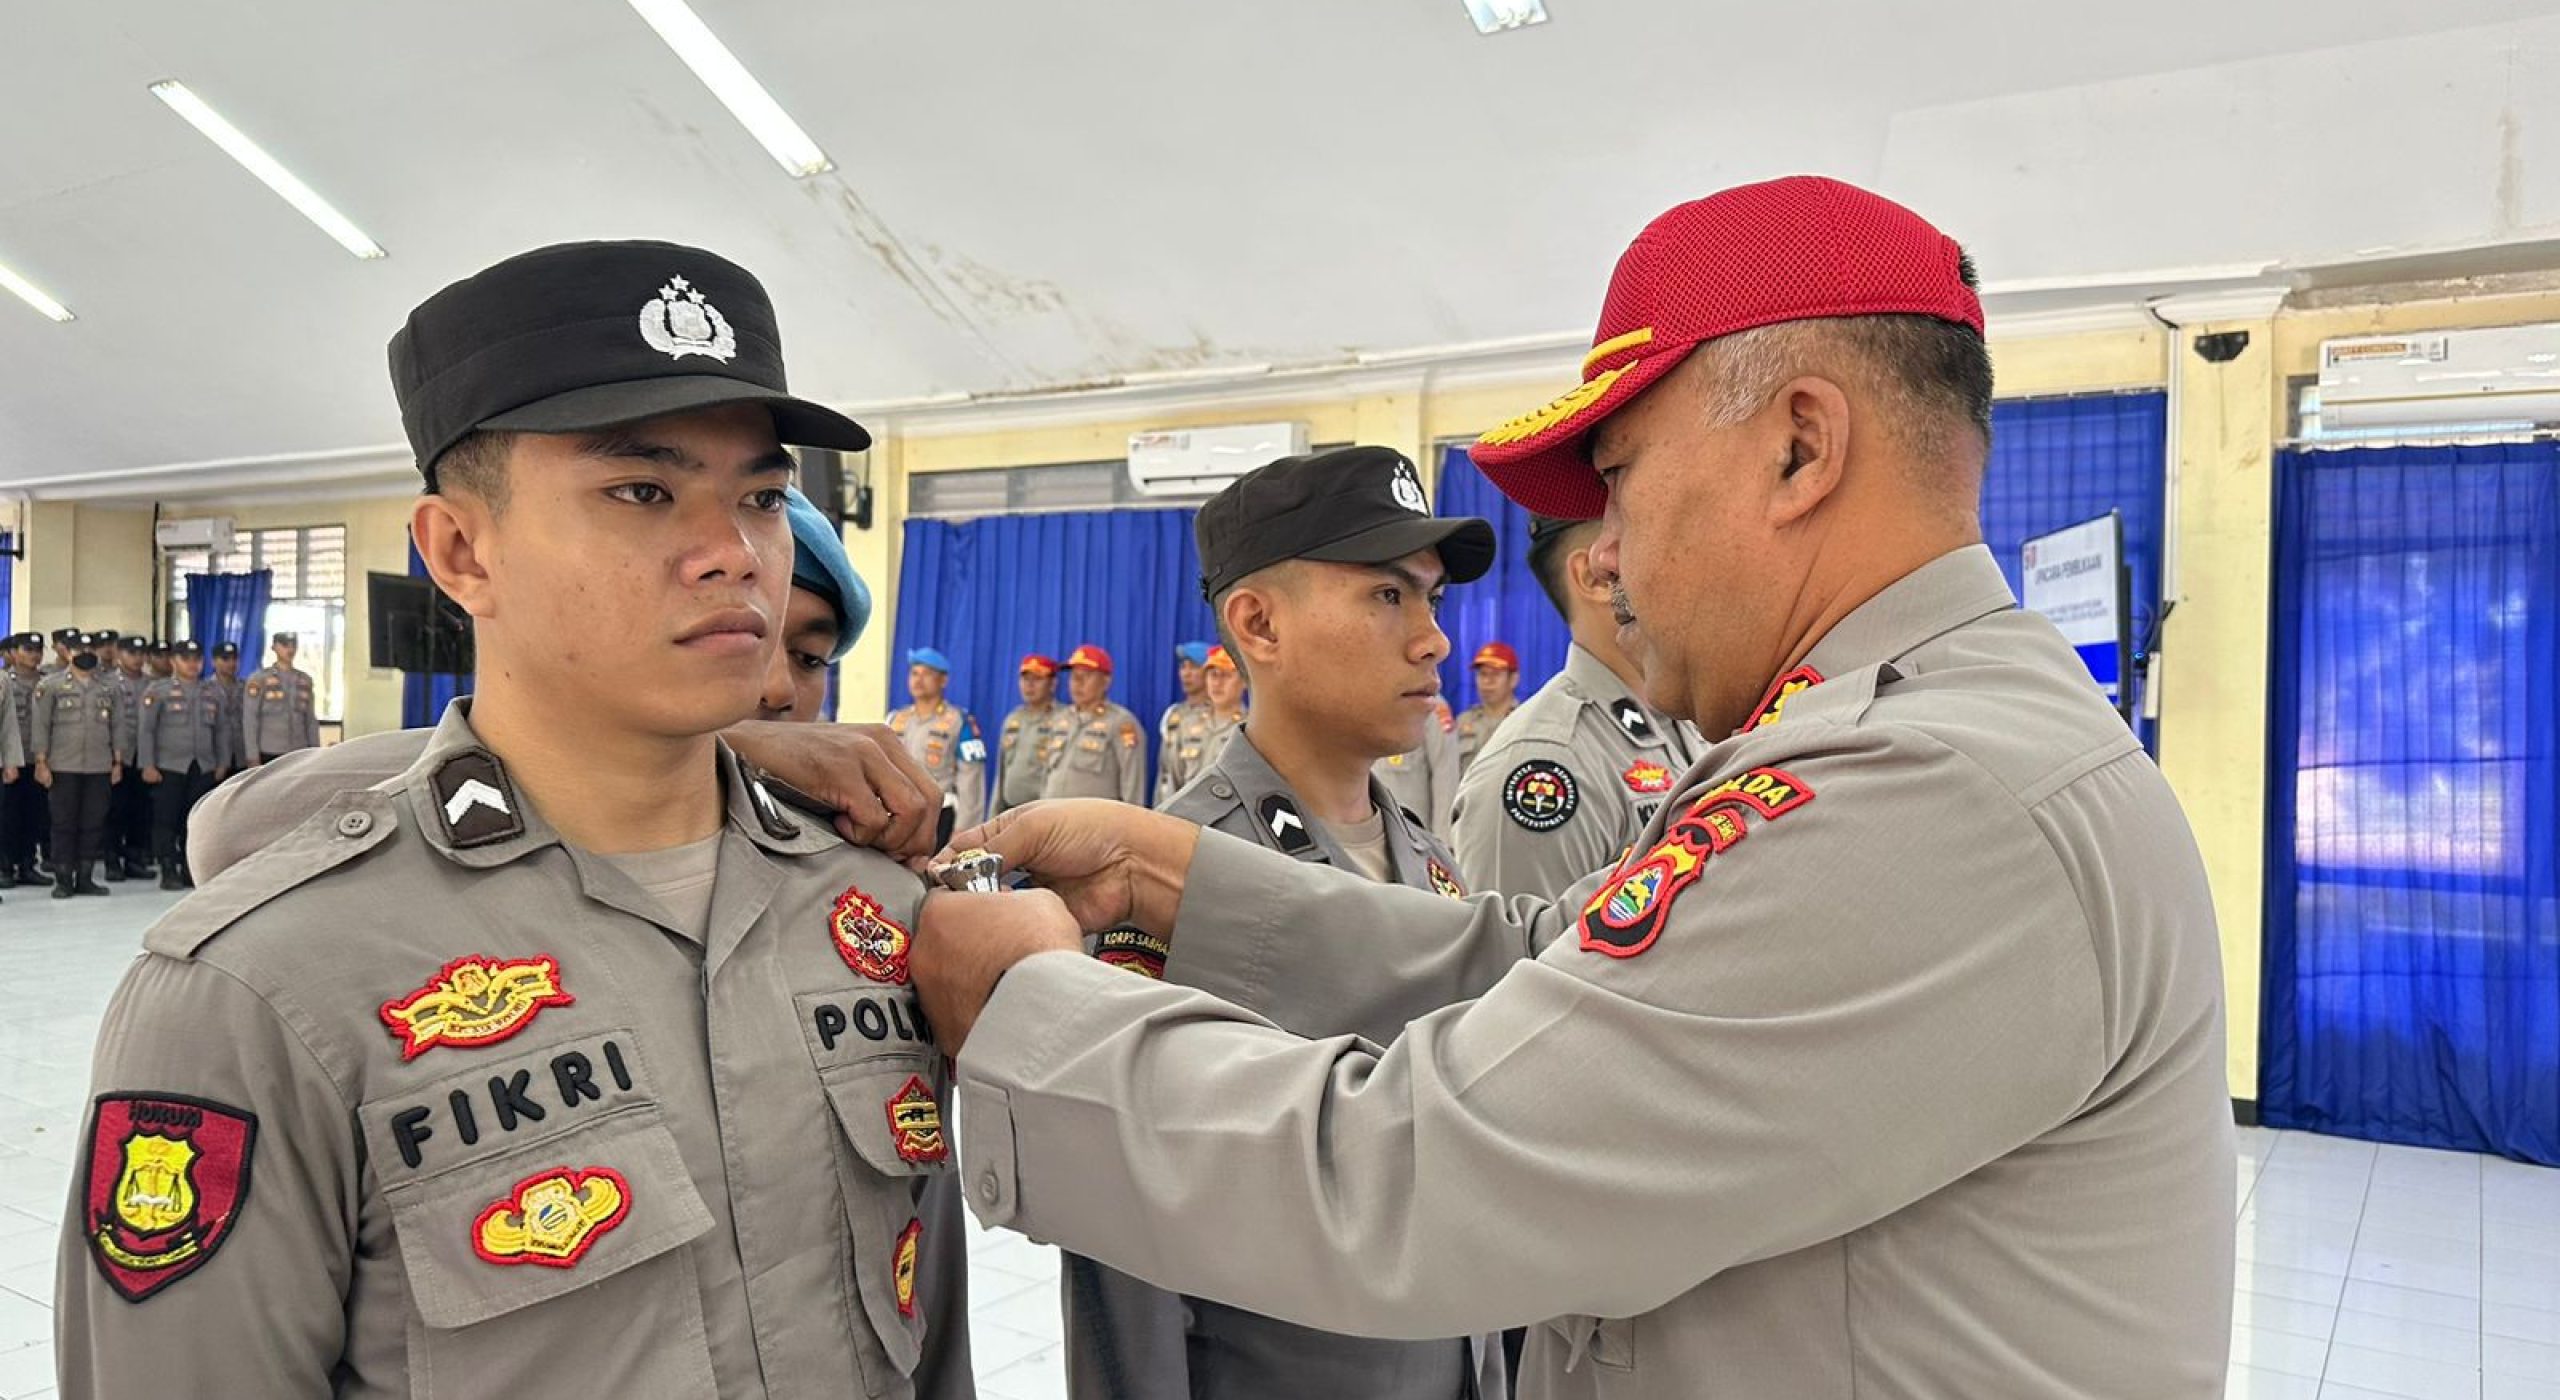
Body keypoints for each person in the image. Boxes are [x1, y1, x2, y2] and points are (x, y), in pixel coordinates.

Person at [912, 177, 2235, 1399]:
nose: (1604, 556)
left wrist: (1028, 1009)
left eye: (1619, 480)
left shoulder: (1928, 790)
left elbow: (1425, 1172)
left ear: (1799, 448)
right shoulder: (1898, 743)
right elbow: (1540, 961)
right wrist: (1171, 881)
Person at [58, 238, 975, 1400]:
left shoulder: (874, 909)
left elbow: (927, 1338)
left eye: (760, 496)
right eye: (642, 490)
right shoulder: (262, 989)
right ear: (458, 549)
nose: (731, 554)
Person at [1063, 444, 1501, 1400]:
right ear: (1257, 624)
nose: (1433, 639)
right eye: (1389, 597)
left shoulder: (1427, 855)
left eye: (1433, 600)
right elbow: (1124, 1240)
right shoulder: (1169, 880)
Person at [1451, 518, 1703, 901]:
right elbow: (1520, 955)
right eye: (1665, 543)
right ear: (1597, 576)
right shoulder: (1545, 760)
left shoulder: (1683, 721)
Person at [31, 632, 128, 898]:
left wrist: (118, 761)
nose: (84, 654)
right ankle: (63, 878)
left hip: (99, 766)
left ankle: (85, 878)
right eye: (78, 649)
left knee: (93, 822)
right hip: (63, 766)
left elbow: (118, 727)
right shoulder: (50, 685)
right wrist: (41, 762)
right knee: (63, 823)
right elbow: (40, 727)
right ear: (67, 653)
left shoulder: (110, 687)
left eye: (89, 649)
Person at [137, 640, 229, 889]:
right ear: (174, 662)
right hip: (169, 766)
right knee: (166, 819)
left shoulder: (212, 691)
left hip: (203, 766)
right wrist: (147, 764)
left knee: (196, 821)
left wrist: (223, 761)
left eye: (196, 659)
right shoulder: (158, 690)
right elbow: (147, 731)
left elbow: (221, 731)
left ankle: (191, 869)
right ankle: (168, 868)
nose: (192, 664)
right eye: (186, 659)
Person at [888, 647, 988, 831]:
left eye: (927, 674)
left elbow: (971, 780)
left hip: (939, 815)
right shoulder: (895, 719)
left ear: (943, 680)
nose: (918, 680)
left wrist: (965, 830)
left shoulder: (959, 721)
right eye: (914, 673)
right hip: (897, 812)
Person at [1039, 645, 1145, 805]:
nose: (1077, 682)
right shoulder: (1060, 720)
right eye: (1074, 676)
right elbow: (1046, 777)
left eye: (1086, 675)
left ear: (1106, 681)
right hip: (1054, 821)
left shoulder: (1121, 723)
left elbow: (1132, 783)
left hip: (1095, 826)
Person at [102, 635, 153, 880]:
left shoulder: (152, 684)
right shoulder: (107, 683)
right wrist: (114, 759)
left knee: (140, 812)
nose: (137, 658)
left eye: (141, 653)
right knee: (114, 811)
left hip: (143, 758)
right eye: (131, 653)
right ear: (119, 654)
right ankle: (112, 861)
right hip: (116, 758)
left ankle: (134, 860)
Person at [1371, 698, 1458, 838]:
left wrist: (1444, 842)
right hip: (1369, 838)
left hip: (1414, 839)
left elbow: (1446, 779)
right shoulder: (1363, 703)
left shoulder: (1431, 706)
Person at [0, 632, 47, 888]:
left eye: (38, 650)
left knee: (35, 815)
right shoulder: (7, 680)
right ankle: (5, 865)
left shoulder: (48, 682)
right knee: (9, 816)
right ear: (14, 652)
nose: (34, 655)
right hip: (12, 759)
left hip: (37, 758)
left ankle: (28, 864)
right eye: (28, 649)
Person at [994, 654, 1065, 816]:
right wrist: (994, 814)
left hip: (1042, 812)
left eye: (1037, 679)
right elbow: (1001, 773)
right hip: (1009, 809)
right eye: (1025, 679)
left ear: (1053, 684)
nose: (1029, 685)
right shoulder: (1013, 720)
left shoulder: (1064, 720)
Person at [240, 630, 320, 765]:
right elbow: (250, 719)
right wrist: (252, 755)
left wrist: (316, 751)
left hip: (299, 750)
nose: (290, 649)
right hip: (270, 751)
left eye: (293, 645)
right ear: (274, 647)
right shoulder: (259, 679)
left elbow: (310, 719)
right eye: (285, 645)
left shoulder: (304, 680)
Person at [1151, 642, 1214, 805]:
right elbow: (1164, 772)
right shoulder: (1173, 715)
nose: (1186, 673)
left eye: (1193, 667)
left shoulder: (1219, 719)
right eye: (1183, 667)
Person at [1451, 642, 1520, 776]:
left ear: (1513, 679)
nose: (1487, 681)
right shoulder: (1464, 721)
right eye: (1483, 674)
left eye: (1495, 674)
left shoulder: (1523, 721)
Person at [207, 640, 246, 773]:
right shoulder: (204, 689)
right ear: (213, 661)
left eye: (234, 659)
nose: (231, 663)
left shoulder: (246, 687)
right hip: (214, 755)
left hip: (241, 754)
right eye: (225, 659)